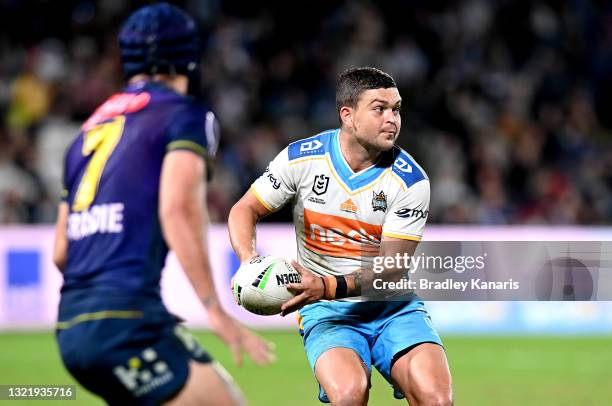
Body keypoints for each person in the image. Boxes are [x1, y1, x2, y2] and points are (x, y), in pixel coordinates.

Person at [52, 3, 274, 405]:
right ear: (188, 58)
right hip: (127, 323)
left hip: (70, 327)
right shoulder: (183, 116)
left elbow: (61, 252)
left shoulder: (86, 132)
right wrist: (214, 309)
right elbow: (178, 209)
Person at [229, 67, 452, 405]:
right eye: (380, 109)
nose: (392, 119)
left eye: (397, 109)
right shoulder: (302, 159)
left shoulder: (410, 181)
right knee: (349, 394)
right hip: (328, 312)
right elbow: (244, 209)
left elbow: (392, 266)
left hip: (393, 307)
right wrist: (249, 260)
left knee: (436, 399)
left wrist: (328, 285)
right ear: (348, 115)